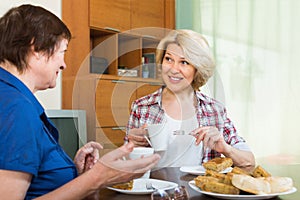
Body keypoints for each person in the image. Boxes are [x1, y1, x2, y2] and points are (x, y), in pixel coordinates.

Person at [0, 4, 160, 199]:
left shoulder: (11, 97)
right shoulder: (17, 108)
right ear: (37, 48)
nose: (64, 64)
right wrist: (97, 178)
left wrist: (74, 173)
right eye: (62, 51)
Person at [126, 29, 255, 170]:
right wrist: (131, 147)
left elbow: (249, 162)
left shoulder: (214, 109)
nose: (174, 69)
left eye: (184, 62)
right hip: (155, 190)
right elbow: (125, 166)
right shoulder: (142, 107)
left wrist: (225, 148)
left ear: (197, 69)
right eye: (168, 59)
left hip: (199, 190)